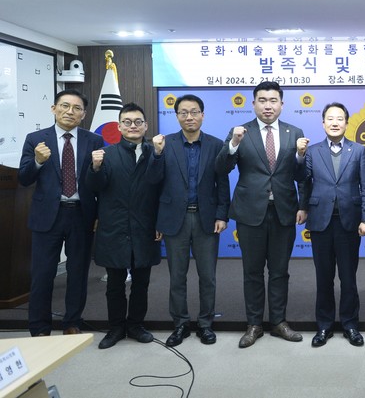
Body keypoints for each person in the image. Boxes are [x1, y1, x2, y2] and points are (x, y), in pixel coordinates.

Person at [215, 81, 309, 348]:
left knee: (280, 271)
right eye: (263, 100)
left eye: (273, 100)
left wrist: (300, 157)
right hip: (250, 212)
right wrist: (233, 143)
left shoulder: (294, 132)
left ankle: (279, 322)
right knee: (252, 271)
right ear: (254, 103)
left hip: (284, 211)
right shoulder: (240, 132)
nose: (268, 106)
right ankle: (254, 324)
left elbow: (301, 176)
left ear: (281, 104)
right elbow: (221, 168)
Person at [18, 89, 104, 337]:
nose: (70, 111)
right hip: (47, 216)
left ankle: (72, 322)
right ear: (54, 108)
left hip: (81, 214)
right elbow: (24, 178)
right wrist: (37, 161)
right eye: (65, 106)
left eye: (77, 108)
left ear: (83, 114)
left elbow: (99, 182)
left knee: (78, 273)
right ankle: (39, 328)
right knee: (42, 275)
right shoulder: (36, 139)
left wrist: (99, 213)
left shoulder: (94, 141)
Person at [147, 94, 230, 347]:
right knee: (177, 276)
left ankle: (205, 324)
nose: (189, 117)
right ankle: (180, 324)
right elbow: (153, 182)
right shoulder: (165, 144)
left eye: (194, 112)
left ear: (202, 115)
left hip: (206, 219)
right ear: (177, 116)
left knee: (208, 276)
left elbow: (222, 182)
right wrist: (157, 154)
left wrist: (222, 214)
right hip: (175, 220)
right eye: (183, 112)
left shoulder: (216, 145)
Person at [294, 102, 365, 347]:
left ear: (347, 123)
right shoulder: (312, 151)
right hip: (321, 222)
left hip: (349, 222)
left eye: (340, 118)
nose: (335, 122)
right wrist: (299, 156)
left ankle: (350, 325)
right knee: (324, 277)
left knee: (348, 278)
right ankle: (324, 326)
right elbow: (302, 179)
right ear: (323, 123)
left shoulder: (358, 150)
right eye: (330, 118)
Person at [86, 103, 162, 349]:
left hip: (145, 226)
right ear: (118, 127)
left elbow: (162, 189)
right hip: (114, 226)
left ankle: (136, 325)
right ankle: (116, 327)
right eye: (127, 122)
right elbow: (94, 187)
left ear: (146, 126)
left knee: (141, 283)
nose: (133, 126)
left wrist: (160, 222)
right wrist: (95, 168)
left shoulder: (156, 152)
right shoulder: (106, 154)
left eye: (138, 122)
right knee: (115, 284)